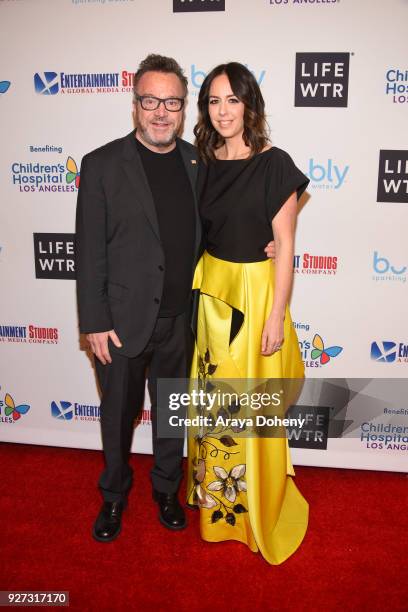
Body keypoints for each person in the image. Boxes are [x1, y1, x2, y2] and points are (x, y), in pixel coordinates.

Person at [186, 62, 309, 564]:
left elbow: (284, 242)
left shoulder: (274, 162)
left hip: (256, 295)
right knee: (215, 406)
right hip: (212, 292)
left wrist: (276, 316)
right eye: (214, 101)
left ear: (248, 104)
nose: (222, 111)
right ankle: (218, 505)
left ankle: (256, 502)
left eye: (232, 100)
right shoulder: (200, 162)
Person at [75, 54, 201, 541]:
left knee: (171, 412)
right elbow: (88, 251)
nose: (161, 112)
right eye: (151, 101)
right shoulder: (102, 164)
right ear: (135, 105)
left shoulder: (197, 162)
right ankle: (113, 497)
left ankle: (167, 489)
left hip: (180, 321)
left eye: (172, 102)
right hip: (120, 323)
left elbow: (220, 226)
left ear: (183, 107)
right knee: (117, 417)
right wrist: (94, 320)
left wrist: (268, 242)